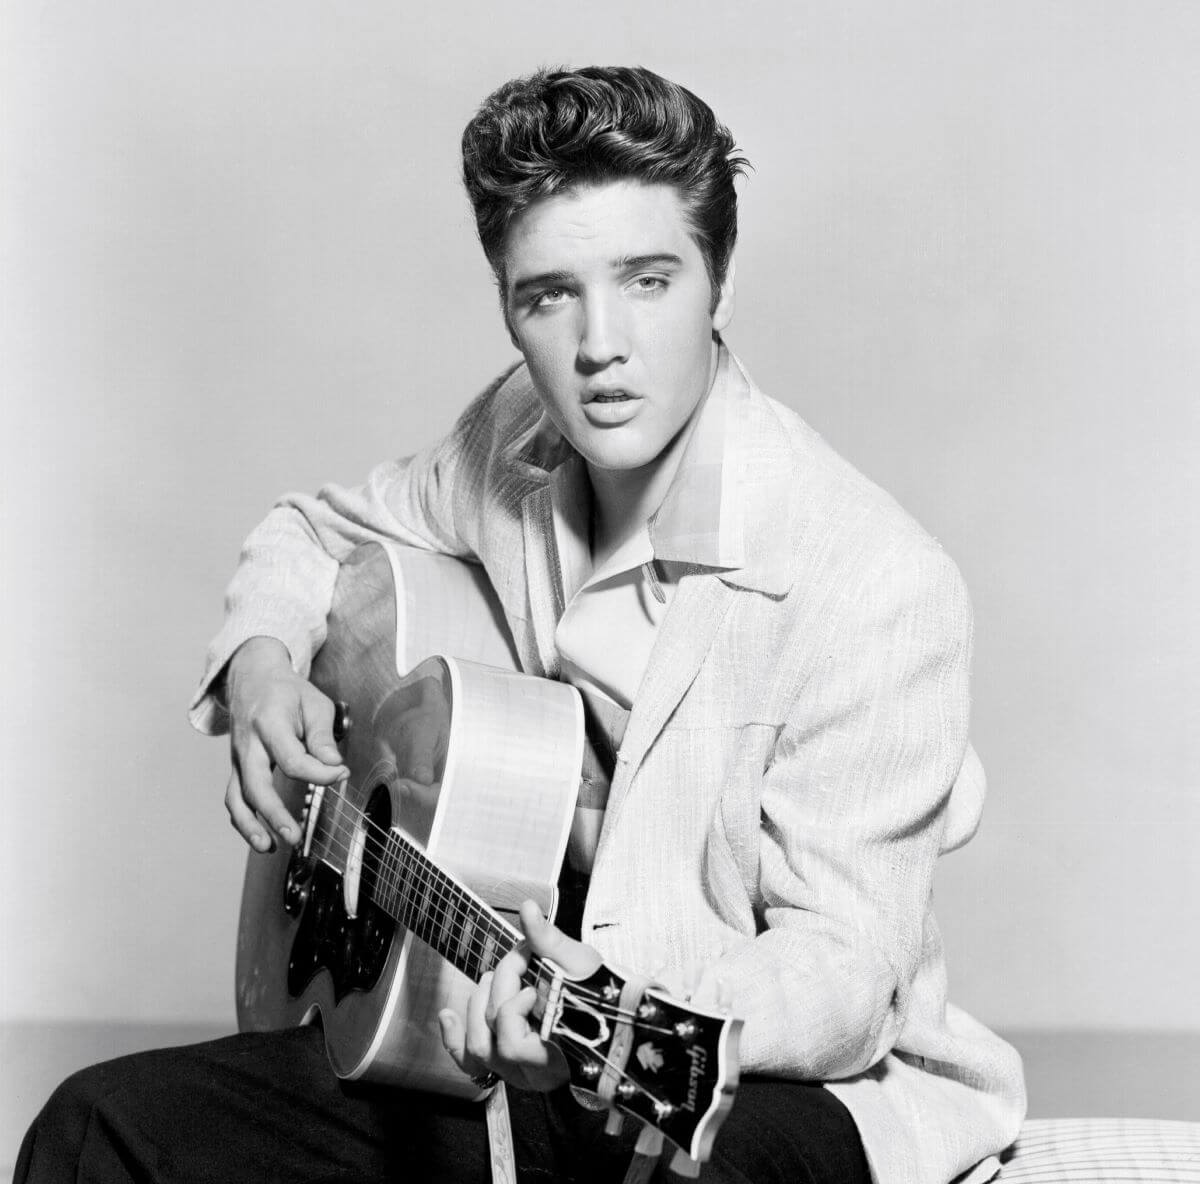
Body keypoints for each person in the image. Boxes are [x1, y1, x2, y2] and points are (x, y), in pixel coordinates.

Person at [16, 66, 1025, 1184]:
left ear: (721, 286)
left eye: (649, 280)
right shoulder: (515, 436)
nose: (602, 345)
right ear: (507, 301)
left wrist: (599, 1006)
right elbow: (314, 531)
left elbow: (844, 973)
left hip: (758, 1077)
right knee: (99, 1127)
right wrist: (262, 663)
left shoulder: (872, 579)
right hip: (482, 1028)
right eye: (549, 294)